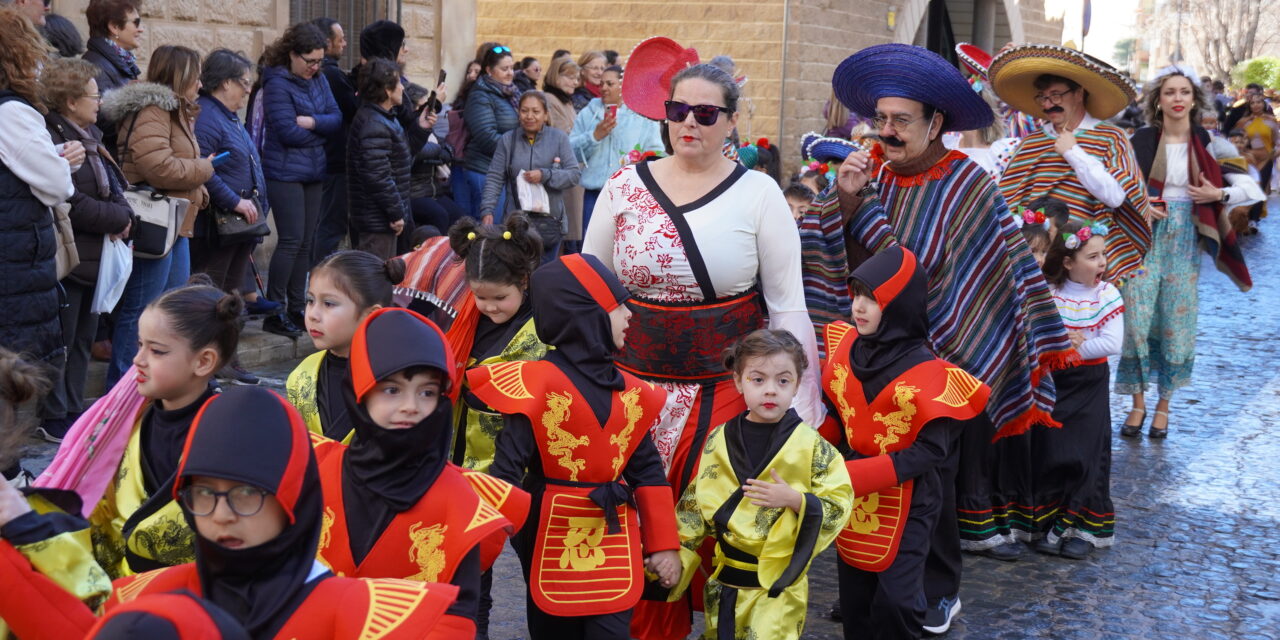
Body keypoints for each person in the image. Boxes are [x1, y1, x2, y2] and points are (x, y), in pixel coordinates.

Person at [823, 43, 1070, 631]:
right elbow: (850, 259)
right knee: (868, 459)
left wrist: (866, 211)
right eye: (880, 119)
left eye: (900, 120)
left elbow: (975, 273)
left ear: (935, 124)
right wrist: (849, 198)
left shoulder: (968, 185)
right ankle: (869, 582)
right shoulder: (869, 173)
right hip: (873, 350)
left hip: (945, 351)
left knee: (930, 479)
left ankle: (937, 588)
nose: (886, 131)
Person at [589, 38, 822, 640]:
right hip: (633, 386)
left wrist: (800, 407)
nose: (689, 122)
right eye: (678, 110)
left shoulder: (759, 194)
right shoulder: (624, 186)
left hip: (724, 392)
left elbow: (788, 305)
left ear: (730, 122)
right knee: (634, 522)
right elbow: (591, 286)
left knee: (720, 520)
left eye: (706, 113)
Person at [0, 386, 461, 640]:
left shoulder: (372, 620)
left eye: (246, 494)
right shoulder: (147, 599)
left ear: (292, 498)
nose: (220, 515)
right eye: (202, 494)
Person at [468, 254, 681, 640]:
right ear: (587, 314)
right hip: (546, 530)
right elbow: (507, 473)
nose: (630, 315)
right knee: (554, 630)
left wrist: (664, 544)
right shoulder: (536, 384)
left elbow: (647, 471)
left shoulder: (634, 392)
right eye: (619, 307)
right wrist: (477, 544)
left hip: (612, 529)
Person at [311, 307, 530, 637]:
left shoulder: (462, 503)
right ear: (359, 389)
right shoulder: (313, 473)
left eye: (427, 392)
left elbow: (460, 617)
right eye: (392, 389)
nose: (411, 406)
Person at [821, 246, 990, 640]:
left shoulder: (933, 374)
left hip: (909, 496)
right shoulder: (844, 347)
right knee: (856, 602)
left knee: (898, 603)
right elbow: (836, 414)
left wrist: (853, 475)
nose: (859, 307)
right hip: (851, 493)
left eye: (873, 298)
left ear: (898, 303)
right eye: (856, 295)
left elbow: (931, 451)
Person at [670, 329, 852, 640]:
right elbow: (694, 502)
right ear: (738, 381)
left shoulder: (810, 445)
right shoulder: (719, 437)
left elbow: (839, 500)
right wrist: (675, 552)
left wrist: (797, 500)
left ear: (796, 385)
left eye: (783, 380)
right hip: (725, 578)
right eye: (758, 379)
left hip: (778, 584)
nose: (770, 390)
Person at [1119, 71, 1253, 438]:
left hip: (1184, 238)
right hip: (1143, 236)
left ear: (1194, 99)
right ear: (1157, 100)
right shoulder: (1140, 139)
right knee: (1137, 319)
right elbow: (1117, 188)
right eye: (1168, 92)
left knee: (1176, 321)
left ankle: (1164, 406)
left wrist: (1218, 196)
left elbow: (1250, 186)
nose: (1177, 98)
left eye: (1184, 92)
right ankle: (1137, 404)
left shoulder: (1210, 143)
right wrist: (1140, 202)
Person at [100, 44, 214, 388]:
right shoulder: (154, 109)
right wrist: (203, 170)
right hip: (154, 225)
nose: (200, 83)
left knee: (168, 311)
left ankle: (154, 385)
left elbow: (174, 165)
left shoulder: (176, 111)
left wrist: (199, 188)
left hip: (175, 224)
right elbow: (159, 167)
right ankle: (121, 390)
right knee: (141, 310)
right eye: (196, 75)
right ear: (180, 75)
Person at [992, 44, 1152, 284]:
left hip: (1086, 263)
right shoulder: (1031, 143)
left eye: (1056, 95)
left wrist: (1073, 152)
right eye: (1043, 98)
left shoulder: (1111, 138)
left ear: (1079, 93)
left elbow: (1117, 198)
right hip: (1037, 264)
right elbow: (1009, 202)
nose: (1048, 105)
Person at [35, 56, 134, 442]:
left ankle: (74, 407)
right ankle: (53, 413)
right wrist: (117, 218)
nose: (100, 101)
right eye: (94, 95)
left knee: (82, 340)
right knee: (61, 341)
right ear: (71, 100)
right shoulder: (54, 139)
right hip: (71, 258)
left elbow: (115, 187)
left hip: (95, 258)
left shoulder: (89, 136)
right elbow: (69, 199)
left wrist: (125, 217)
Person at [1032, 220, 1123, 560]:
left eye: (1103, 256)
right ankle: (1051, 522)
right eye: (1093, 256)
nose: (1101, 263)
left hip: (1088, 384)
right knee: (1053, 450)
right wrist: (1058, 346)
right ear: (1068, 262)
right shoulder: (1050, 293)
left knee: (1085, 454)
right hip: (1055, 381)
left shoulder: (1106, 295)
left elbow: (1112, 341)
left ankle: (1082, 528)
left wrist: (1075, 349)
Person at [443, 216, 547, 476]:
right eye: (480, 296)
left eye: (500, 297)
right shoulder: (466, 317)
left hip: (507, 461)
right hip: (456, 448)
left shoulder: (542, 328)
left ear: (523, 281)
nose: (489, 307)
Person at [193, 49, 271, 385]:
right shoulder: (207, 116)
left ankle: (228, 361)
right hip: (218, 225)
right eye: (243, 84)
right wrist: (234, 202)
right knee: (214, 297)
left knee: (232, 295)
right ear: (225, 83)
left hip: (239, 227)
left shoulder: (227, 115)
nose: (246, 91)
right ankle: (209, 363)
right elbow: (205, 169)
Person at [259, 22, 341, 337]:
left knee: (307, 242)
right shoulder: (277, 82)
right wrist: (319, 133)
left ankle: (297, 306)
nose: (315, 67)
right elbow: (287, 131)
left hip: (313, 172)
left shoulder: (319, 79)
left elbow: (335, 119)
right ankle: (274, 309)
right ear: (293, 55)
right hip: (284, 173)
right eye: (309, 61)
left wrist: (313, 122)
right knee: (291, 241)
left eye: (319, 61)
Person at [287, 250, 405, 443]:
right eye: (310, 300)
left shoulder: (401, 379)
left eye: (328, 303)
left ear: (370, 314)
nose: (312, 315)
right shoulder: (302, 375)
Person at [481, 91, 581, 259]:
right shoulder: (507, 140)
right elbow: (494, 178)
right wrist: (487, 210)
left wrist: (545, 175)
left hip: (549, 222)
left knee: (544, 276)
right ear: (518, 113)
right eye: (524, 111)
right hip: (516, 222)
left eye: (536, 111)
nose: (529, 116)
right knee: (517, 274)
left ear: (546, 115)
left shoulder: (559, 138)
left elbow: (574, 175)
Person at [570, 65, 663, 234]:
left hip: (630, 195)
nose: (603, 88)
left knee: (627, 246)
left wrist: (642, 161)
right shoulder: (588, 113)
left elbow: (657, 153)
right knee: (593, 249)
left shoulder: (642, 115)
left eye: (609, 84)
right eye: (601, 84)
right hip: (595, 193)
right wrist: (594, 136)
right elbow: (570, 152)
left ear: (623, 85)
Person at [346, 57, 412, 259]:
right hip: (377, 219)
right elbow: (377, 175)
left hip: (379, 216)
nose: (402, 87)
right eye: (398, 83)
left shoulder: (381, 118)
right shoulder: (374, 123)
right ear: (386, 90)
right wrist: (395, 213)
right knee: (375, 280)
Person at [457, 44, 519, 218]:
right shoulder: (480, 95)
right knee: (490, 230)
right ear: (489, 70)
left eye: (512, 68)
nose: (510, 73)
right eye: (504, 69)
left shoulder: (511, 93)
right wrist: (520, 147)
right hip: (484, 171)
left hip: (503, 171)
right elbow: (487, 138)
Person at [312, 16, 354, 263]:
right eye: (341, 39)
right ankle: (318, 278)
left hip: (324, 160)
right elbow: (353, 109)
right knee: (330, 226)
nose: (345, 44)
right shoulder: (332, 75)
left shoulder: (322, 74)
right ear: (327, 42)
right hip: (335, 162)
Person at [82, 0, 144, 157]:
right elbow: (99, 121)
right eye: (136, 23)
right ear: (114, 27)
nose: (141, 29)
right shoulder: (94, 65)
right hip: (111, 160)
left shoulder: (121, 62)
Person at [404, 83, 465, 235]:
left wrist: (437, 150)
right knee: (439, 216)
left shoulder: (427, 128)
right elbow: (421, 151)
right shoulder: (410, 128)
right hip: (415, 193)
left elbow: (448, 148)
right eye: (423, 106)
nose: (429, 111)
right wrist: (437, 150)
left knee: (462, 219)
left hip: (433, 191)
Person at [542, 55, 586, 251]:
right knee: (565, 234)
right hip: (561, 170)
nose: (574, 83)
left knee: (573, 231)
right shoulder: (550, 99)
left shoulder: (565, 101)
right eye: (569, 77)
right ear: (556, 76)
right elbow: (564, 134)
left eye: (576, 79)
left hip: (572, 170)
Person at [1234, 92, 1280, 193]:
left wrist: (1276, 153)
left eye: (1259, 102)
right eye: (1252, 103)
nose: (1256, 105)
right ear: (1249, 106)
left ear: (1263, 104)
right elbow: (1235, 139)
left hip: (1267, 158)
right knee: (1251, 189)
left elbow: (1277, 140)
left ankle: (1260, 208)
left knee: (1262, 189)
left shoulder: (1271, 120)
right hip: (1250, 158)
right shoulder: (1243, 122)